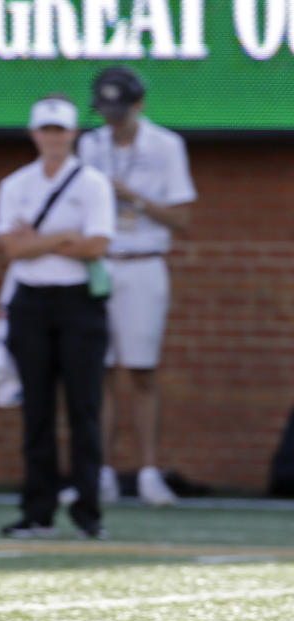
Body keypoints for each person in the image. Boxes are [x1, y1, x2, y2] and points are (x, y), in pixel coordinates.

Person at [0, 95, 115, 539]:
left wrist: (40, 239)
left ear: (73, 134)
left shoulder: (93, 183)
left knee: (84, 407)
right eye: (45, 129)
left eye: (60, 130)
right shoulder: (15, 183)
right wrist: (66, 236)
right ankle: (38, 510)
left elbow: (97, 246)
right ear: (34, 134)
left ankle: (88, 511)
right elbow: (12, 248)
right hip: (32, 301)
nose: (53, 138)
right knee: (37, 410)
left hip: (80, 302)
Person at [78, 66, 196, 507]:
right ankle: (102, 472)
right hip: (100, 263)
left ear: (139, 105)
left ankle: (148, 471)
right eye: (106, 110)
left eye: (120, 110)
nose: (112, 118)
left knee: (142, 371)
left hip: (145, 262)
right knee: (99, 371)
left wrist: (131, 196)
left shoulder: (166, 145)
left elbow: (183, 219)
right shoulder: (90, 144)